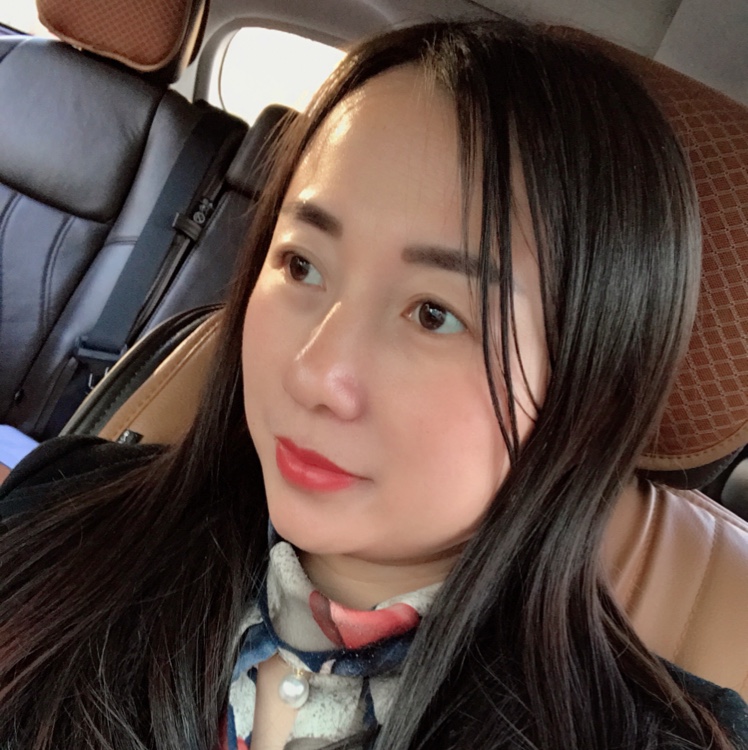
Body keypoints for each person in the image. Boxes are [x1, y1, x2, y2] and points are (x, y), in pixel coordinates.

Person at [0, 17, 746, 750]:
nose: (314, 374)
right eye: (302, 265)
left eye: (434, 314)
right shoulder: (58, 511)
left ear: (592, 393)